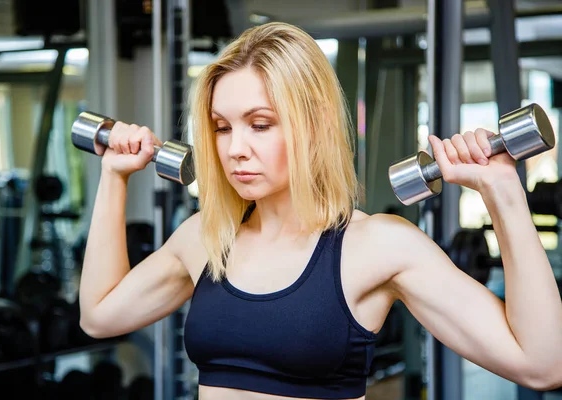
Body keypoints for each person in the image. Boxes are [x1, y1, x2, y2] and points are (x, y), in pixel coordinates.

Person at [78, 21, 562, 400]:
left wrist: (503, 191)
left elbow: (542, 364)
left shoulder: (375, 246)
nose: (235, 149)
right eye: (222, 127)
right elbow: (98, 316)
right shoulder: (206, 239)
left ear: (316, 123)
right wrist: (114, 177)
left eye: (260, 124)